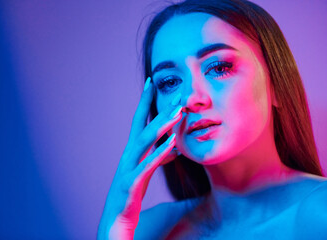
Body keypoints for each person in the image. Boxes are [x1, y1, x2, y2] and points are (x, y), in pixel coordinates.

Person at [98, 0, 327, 239]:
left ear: (277, 85)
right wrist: (115, 223)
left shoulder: (321, 214)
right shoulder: (145, 230)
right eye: (170, 82)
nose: (190, 98)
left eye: (219, 67)